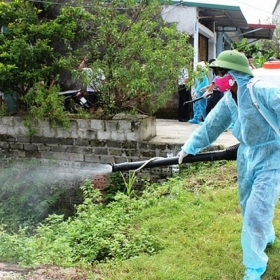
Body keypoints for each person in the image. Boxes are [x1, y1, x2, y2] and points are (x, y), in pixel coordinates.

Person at [177, 50, 280, 280]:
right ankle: (267, 235)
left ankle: (254, 265)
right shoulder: (228, 100)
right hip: (247, 155)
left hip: (272, 153)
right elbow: (211, 125)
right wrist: (190, 147)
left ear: (235, 75)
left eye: (222, 73)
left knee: (257, 209)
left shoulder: (260, 90)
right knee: (247, 204)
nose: (217, 79)